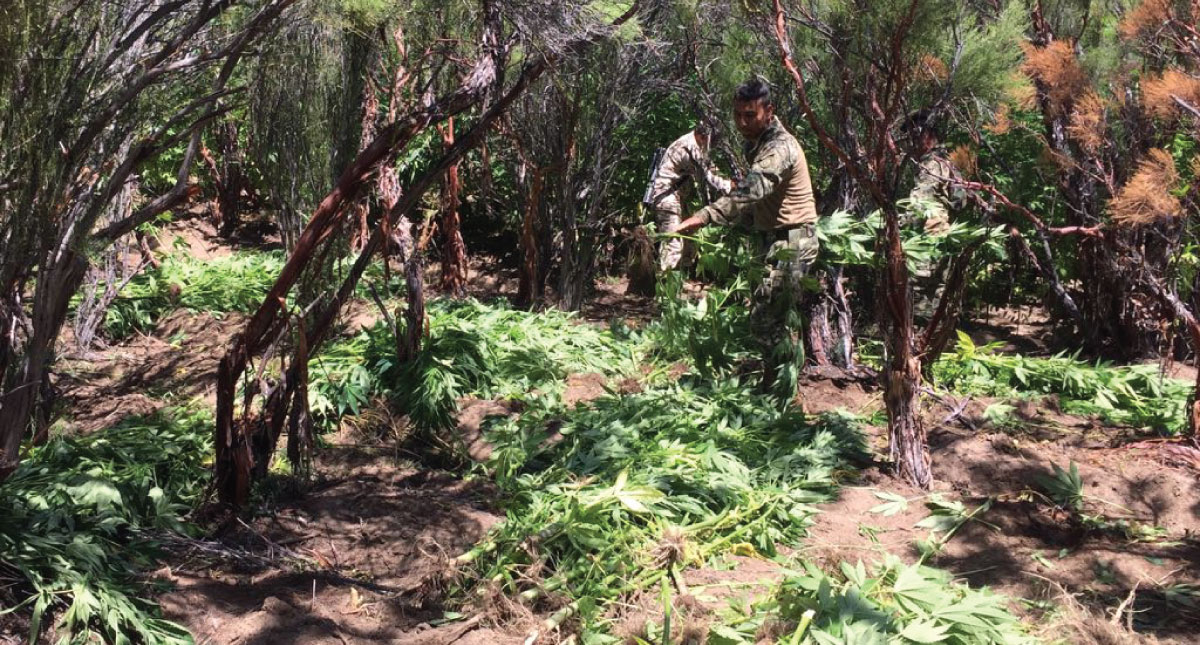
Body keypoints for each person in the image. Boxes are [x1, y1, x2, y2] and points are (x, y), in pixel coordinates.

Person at [672, 78, 819, 394]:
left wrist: (706, 215)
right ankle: (775, 384)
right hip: (769, 238)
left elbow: (755, 188)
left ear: (769, 111)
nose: (741, 122)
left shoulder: (780, 147)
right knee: (765, 316)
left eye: (750, 115)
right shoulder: (756, 142)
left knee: (772, 317)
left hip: (792, 241)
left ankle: (785, 394)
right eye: (737, 115)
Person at [647, 120, 733, 271]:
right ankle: (665, 286)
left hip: (676, 198)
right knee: (672, 244)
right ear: (703, 136)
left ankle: (680, 278)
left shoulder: (693, 145)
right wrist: (729, 186)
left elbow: (710, 167)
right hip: (666, 198)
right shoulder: (689, 147)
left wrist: (727, 178)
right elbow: (708, 176)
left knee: (689, 240)